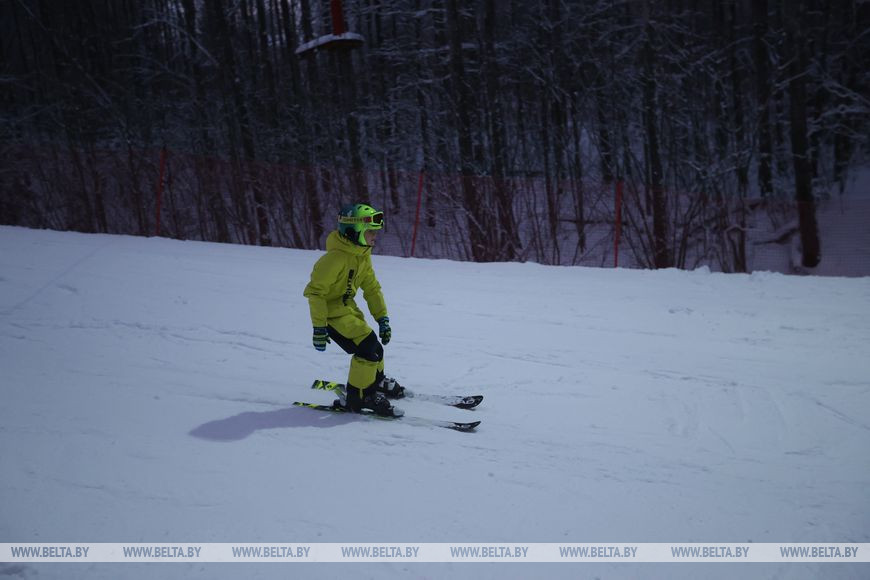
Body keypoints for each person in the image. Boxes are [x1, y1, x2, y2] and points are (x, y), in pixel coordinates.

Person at [303, 203, 405, 417]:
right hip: (330, 316)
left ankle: (375, 382)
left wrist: (382, 318)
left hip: (347, 311)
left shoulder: (362, 256)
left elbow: (372, 287)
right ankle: (359, 396)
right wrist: (319, 328)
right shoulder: (334, 259)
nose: (375, 237)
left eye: (375, 232)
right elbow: (316, 293)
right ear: (353, 232)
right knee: (367, 348)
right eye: (370, 232)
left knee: (374, 347)